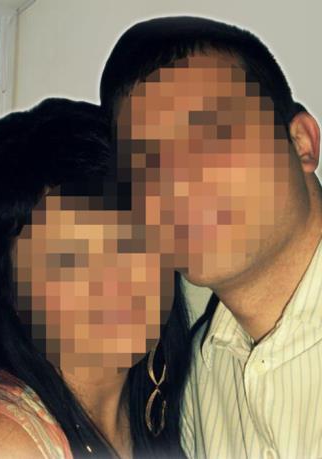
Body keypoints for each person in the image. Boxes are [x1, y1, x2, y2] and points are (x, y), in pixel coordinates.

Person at [99, 16, 322, 458]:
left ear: (301, 142)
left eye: (213, 133)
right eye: (146, 163)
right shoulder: (202, 375)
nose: (176, 181)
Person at [0, 97, 192, 458]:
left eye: (128, 242)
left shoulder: (173, 394)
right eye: (68, 260)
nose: (113, 280)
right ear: (10, 292)